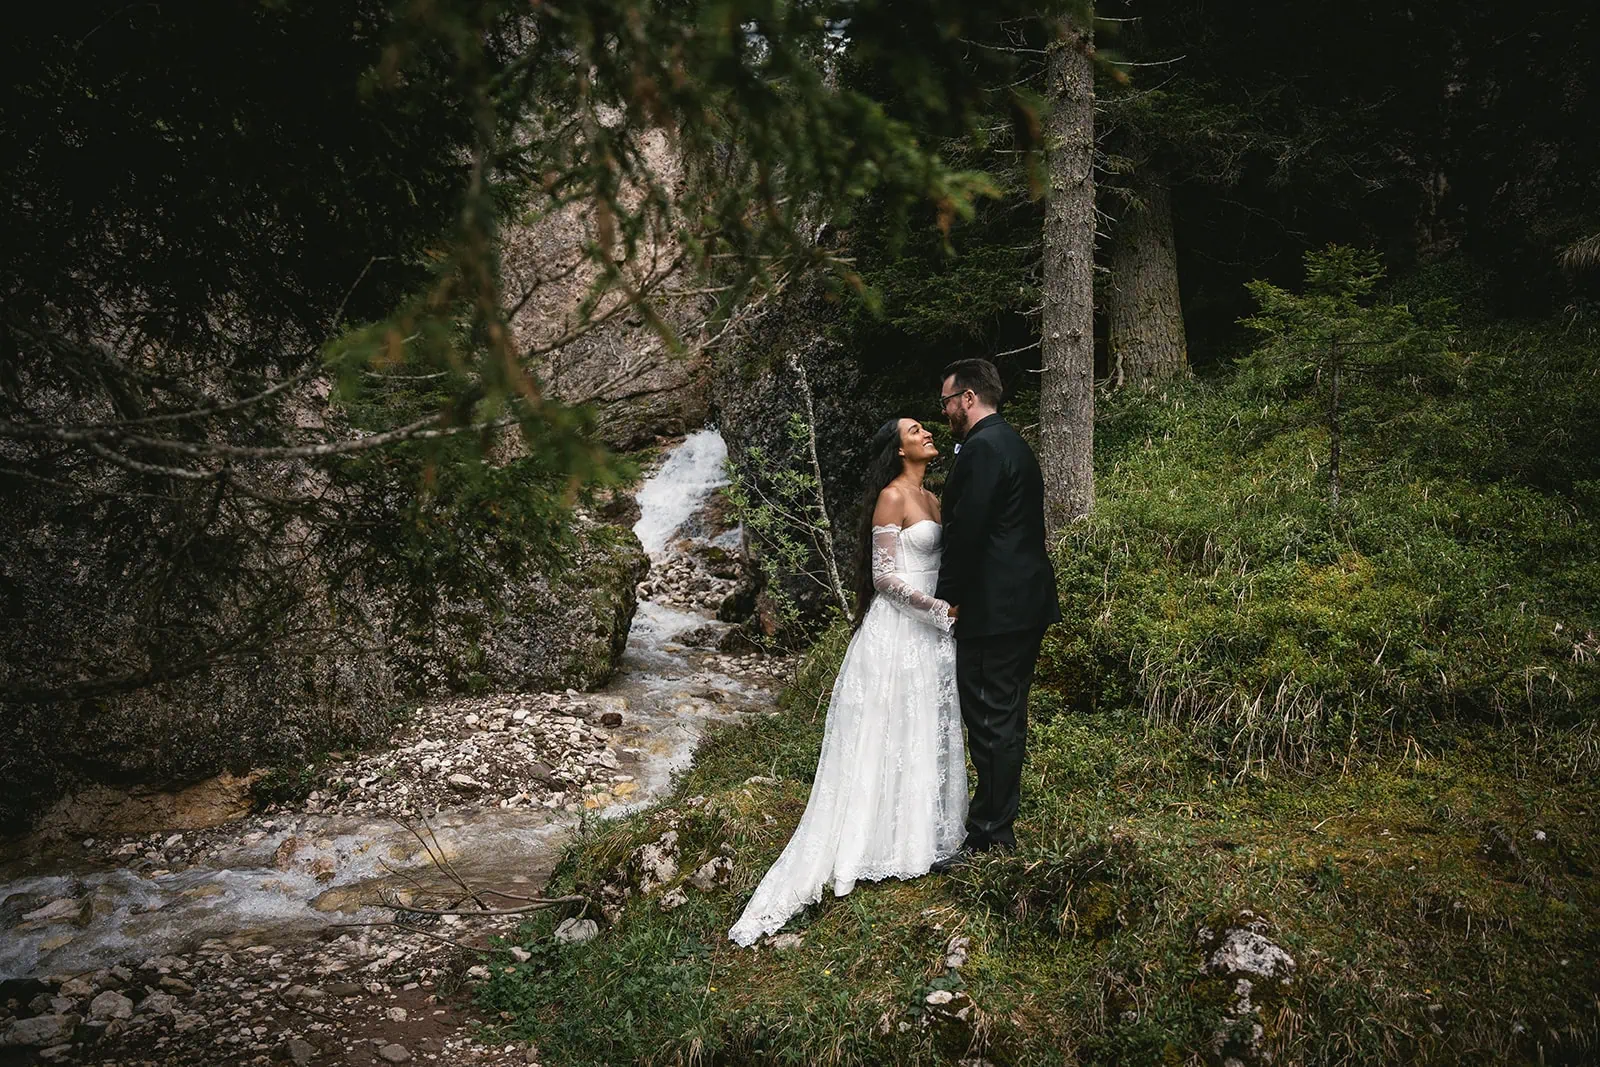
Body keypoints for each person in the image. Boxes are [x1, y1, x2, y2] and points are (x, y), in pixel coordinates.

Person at [728, 416, 966, 946]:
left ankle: (918, 840)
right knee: (884, 734)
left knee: (923, 727)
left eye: (925, 428)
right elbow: (883, 578)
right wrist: (940, 611)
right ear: (898, 449)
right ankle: (873, 842)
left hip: (930, 634)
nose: (926, 433)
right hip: (902, 630)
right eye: (914, 431)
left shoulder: (932, 499)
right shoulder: (892, 496)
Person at [931, 358, 1060, 871]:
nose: (943, 412)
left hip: (995, 608)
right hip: (1022, 603)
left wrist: (947, 597)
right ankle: (996, 826)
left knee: (989, 721)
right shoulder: (1010, 441)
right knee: (1005, 718)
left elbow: (968, 532)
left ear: (967, 398)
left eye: (946, 401)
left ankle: (989, 839)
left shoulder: (983, 448)